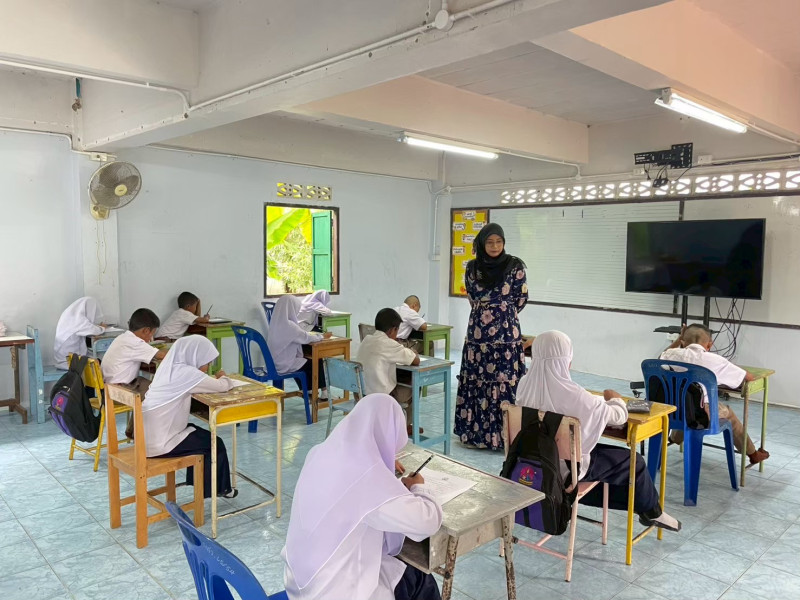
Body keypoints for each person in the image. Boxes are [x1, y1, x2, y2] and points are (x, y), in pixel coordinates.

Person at [516, 331, 681, 531]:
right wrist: (615, 398)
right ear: (567, 360)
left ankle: (645, 508)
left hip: (530, 461)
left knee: (605, 465)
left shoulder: (523, 385)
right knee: (635, 462)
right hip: (565, 468)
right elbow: (619, 416)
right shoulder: (579, 397)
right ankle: (651, 511)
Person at [282, 394, 443, 600]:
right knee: (419, 577)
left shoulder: (319, 453)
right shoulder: (369, 480)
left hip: (299, 584)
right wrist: (418, 487)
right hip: (337, 593)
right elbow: (427, 522)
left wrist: (381, 460)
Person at [454, 223, 530, 450]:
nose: (495, 246)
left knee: (505, 380)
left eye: (499, 242)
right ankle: (477, 435)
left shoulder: (515, 266)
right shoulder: (472, 268)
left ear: (504, 243)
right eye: (489, 242)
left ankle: (507, 436)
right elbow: (471, 295)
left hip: (506, 335)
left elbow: (521, 298)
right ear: (482, 243)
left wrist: (501, 313)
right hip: (478, 336)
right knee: (477, 378)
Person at [142, 336, 237, 498]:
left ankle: (198, 483)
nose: (207, 368)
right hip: (162, 444)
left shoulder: (168, 367)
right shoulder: (187, 373)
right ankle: (219, 490)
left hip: (146, 438)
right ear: (195, 356)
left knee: (198, 433)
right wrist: (222, 376)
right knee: (215, 443)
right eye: (207, 362)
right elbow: (222, 386)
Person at [660, 323, 769, 465]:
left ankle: (675, 438)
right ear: (709, 345)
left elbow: (661, 356)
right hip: (700, 415)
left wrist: (679, 339)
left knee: (686, 403)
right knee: (728, 413)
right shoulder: (716, 361)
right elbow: (748, 378)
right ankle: (753, 454)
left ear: (682, 342)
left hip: (669, 410)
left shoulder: (670, 354)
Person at [357, 308, 420, 435]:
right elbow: (416, 360)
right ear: (392, 330)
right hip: (380, 397)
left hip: (361, 393)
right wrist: (413, 351)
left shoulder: (366, 339)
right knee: (416, 384)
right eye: (397, 330)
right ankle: (404, 426)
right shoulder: (389, 344)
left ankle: (398, 424)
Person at [267, 295, 331, 395]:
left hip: (273, 363)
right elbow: (307, 338)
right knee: (316, 360)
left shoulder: (275, 323)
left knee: (304, 360)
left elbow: (300, 336)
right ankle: (323, 392)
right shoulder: (290, 326)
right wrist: (322, 336)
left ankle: (308, 390)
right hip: (284, 365)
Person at [53, 296, 106, 369]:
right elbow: (93, 330)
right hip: (68, 362)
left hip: (65, 358)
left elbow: (86, 328)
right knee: (100, 364)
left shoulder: (71, 316)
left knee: (97, 360)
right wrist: (102, 328)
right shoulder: (77, 320)